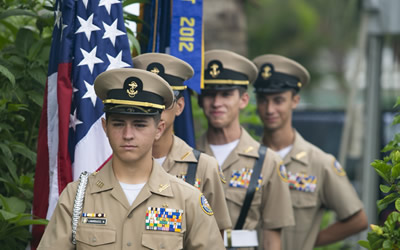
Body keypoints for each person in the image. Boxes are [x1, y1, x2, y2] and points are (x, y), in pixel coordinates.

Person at [37, 68, 225, 249]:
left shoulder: (187, 199)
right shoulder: (77, 197)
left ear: (158, 129)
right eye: (118, 124)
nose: (128, 134)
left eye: (139, 125)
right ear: (105, 127)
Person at [252, 54, 368, 250]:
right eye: (263, 100)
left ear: (295, 101)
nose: (270, 109)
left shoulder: (319, 163)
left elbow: (358, 220)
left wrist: (309, 241)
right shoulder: (246, 158)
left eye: (278, 100)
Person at [196, 49, 295, 250]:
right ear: (199, 100)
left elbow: (271, 238)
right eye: (209, 94)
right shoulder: (185, 156)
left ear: (243, 100)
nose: (216, 103)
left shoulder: (267, 162)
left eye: (225, 94)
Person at [132, 52, 232, 233]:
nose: (155, 112)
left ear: (179, 106)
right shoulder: (114, 163)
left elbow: (216, 237)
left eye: (163, 102)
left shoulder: (203, 167)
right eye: (147, 102)